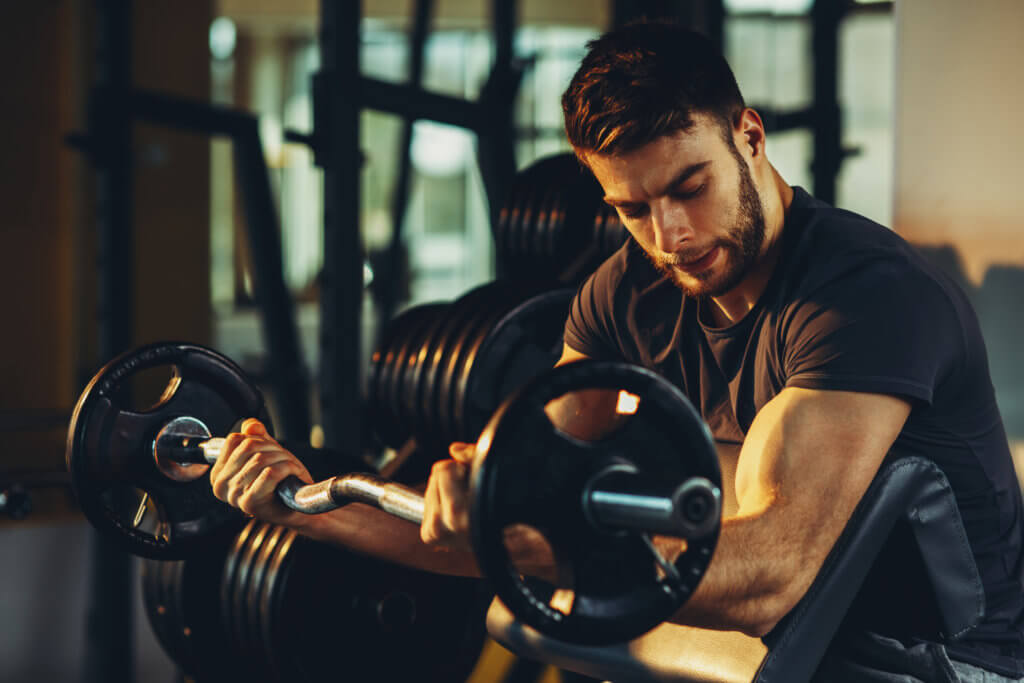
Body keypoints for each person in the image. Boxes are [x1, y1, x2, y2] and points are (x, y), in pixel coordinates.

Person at [209, 21, 1024, 681]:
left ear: (749, 136)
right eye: (632, 208)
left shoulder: (861, 293)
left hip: (944, 663)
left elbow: (771, 571)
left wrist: (543, 539)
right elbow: (512, 508)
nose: (669, 236)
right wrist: (311, 504)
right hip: (777, 653)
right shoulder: (623, 293)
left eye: (688, 188)